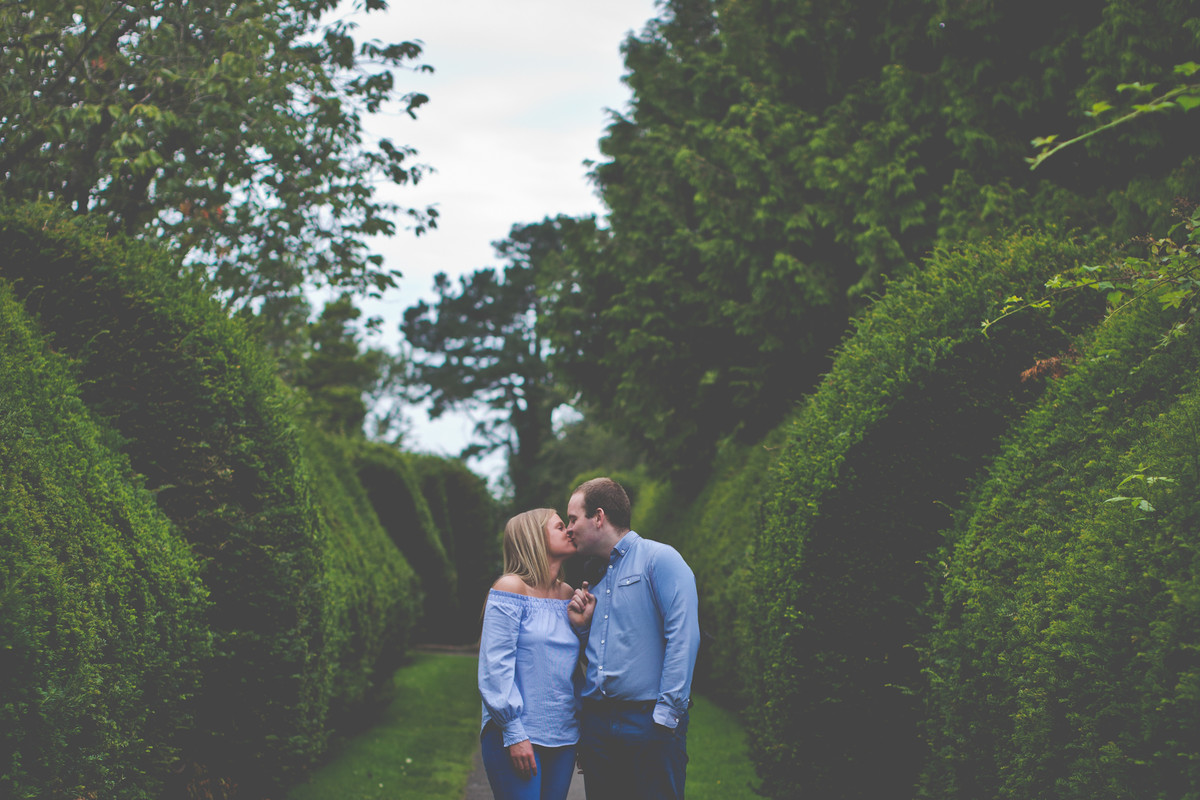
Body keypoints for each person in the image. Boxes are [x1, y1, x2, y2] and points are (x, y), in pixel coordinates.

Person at [564, 477, 700, 800]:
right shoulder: (591, 578)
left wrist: (665, 720)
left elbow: (684, 637)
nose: (568, 528)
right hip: (598, 728)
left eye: (572, 519)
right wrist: (583, 628)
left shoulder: (660, 560)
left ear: (598, 517)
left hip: (650, 724)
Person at [478, 508, 595, 800]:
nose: (569, 530)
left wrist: (582, 627)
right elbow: (495, 668)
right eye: (559, 526)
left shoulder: (568, 593)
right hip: (516, 735)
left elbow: (578, 667)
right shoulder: (511, 587)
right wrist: (514, 732)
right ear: (534, 539)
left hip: (564, 735)